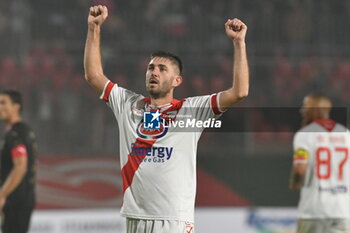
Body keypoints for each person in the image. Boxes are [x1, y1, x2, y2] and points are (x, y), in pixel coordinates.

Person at [84, 5, 249, 233]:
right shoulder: (128, 105)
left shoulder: (192, 110)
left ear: (176, 81)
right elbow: (93, 76)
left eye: (162, 69)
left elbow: (239, 92)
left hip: (174, 220)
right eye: (151, 67)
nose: (154, 72)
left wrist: (239, 43)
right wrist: (94, 28)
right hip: (136, 218)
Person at [289, 94, 350, 233]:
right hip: (342, 211)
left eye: (306, 106)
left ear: (315, 109)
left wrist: (295, 183)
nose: (302, 110)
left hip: (313, 211)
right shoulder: (347, 135)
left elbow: (299, 169)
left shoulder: (304, 135)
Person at [0, 90, 37, 233]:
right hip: (23, 198)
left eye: (3, 103)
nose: (0, 107)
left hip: (15, 200)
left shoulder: (15, 134)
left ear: (16, 107)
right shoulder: (25, 131)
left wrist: (2, 194)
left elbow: (20, 167)